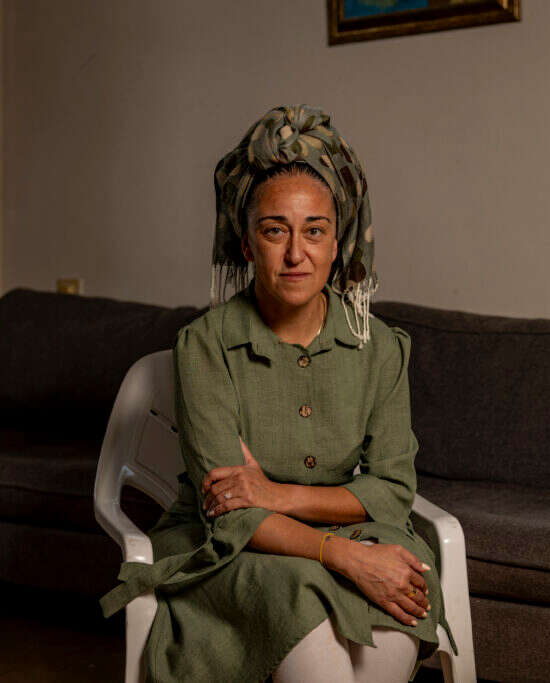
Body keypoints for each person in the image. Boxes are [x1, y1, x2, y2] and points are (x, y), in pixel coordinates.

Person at [99, 104, 457, 683]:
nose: (296, 254)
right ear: (247, 245)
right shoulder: (205, 345)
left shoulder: (381, 347)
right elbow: (232, 515)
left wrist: (277, 494)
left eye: (314, 230)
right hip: (238, 549)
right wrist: (344, 556)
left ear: (337, 244)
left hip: (362, 534)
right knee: (312, 640)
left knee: (389, 639)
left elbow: (391, 490)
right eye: (274, 231)